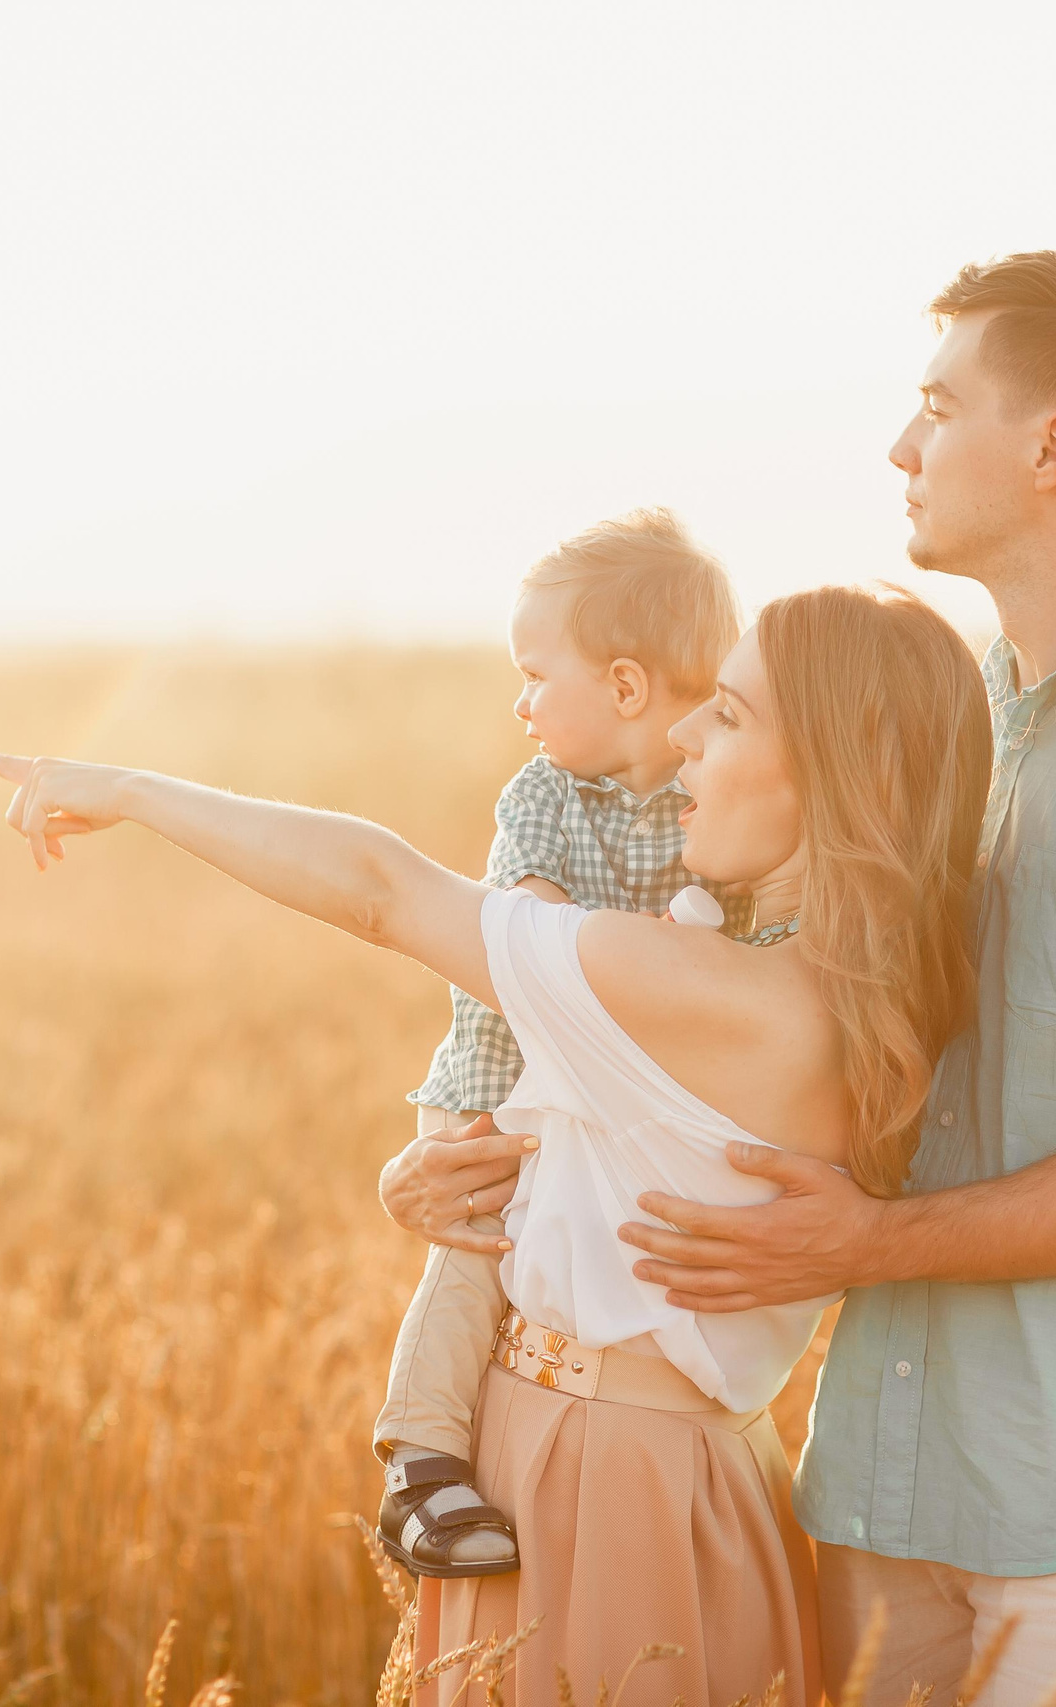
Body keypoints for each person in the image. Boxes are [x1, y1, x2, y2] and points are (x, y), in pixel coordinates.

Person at [384, 251, 1056, 1707]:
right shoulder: (930, 720)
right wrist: (483, 1169)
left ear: (1051, 448)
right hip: (879, 1483)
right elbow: (698, 1020)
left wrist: (864, 1247)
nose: (899, 445)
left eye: (936, 403)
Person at [0, 580, 992, 1706]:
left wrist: (130, 788)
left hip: (592, 1483)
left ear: (843, 775)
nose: (685, 730)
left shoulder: (698, 988)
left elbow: (379, 891)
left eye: (731, 716)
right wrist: (443, 1176)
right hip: (691, 1473)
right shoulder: (856, 996)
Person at [376, 507, 743, 1580]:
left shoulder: (717, 797)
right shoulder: (539, 794)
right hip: (505, 1088)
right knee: (474, 1258)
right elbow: (529, 931)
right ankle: (421, 1456)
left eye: (537, 675)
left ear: (626, 688)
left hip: (611, 1103)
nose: (520, 703)